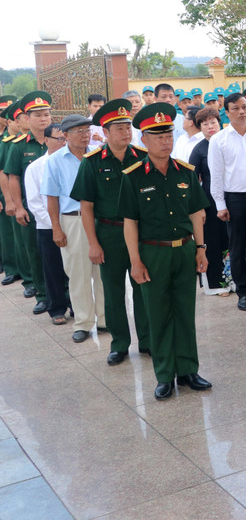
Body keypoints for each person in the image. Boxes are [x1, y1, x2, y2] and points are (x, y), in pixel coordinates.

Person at [119, 102, 211, 401]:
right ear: (143, 140)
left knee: (185, 312)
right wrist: (135, 261)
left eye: (168, 135)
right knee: (158, 315)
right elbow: (130, 223)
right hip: (152, 254)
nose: (165, 141)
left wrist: (200, 248)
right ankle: (164, 375)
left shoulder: (185, 172)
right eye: (157, 136)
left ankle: (187, 370)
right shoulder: (133, 176)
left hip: (184, 251)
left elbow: (197, 213)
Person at [72, 99, 152, 363]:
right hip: (109, 234)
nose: (126, 132)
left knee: (142, 287)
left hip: (140, 234)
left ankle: (148, 340)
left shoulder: (142, 158)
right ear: (105, 133)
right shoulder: (93, 162)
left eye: (128, 127)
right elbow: (86, 207)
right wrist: (93, 244)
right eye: (119, 128)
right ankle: (119, 343)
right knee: (113, 291)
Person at [44, 114, 107, 343]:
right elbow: (51, 198)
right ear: (66, 135)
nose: (85, 135)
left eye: (87, 130)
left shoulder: (99, 155)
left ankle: (104, 319)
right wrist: (56, 229)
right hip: (73, 220)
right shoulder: (55, 160)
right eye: (79, 131)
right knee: (78, 274)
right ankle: (83, 322)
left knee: (103, 272)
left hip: (101, 220)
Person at [208, 91, 246, 310]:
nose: (242, 112)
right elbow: (216, 175)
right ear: (227, 112)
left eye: (245, 107)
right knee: (237, 247)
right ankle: (243, 291)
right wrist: (220, 204)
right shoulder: (218, 140)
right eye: (236, 108)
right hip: (235, 199)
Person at [5, 91, 54, 308]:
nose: (43, 118)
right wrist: (17, 207)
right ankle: (43, 296)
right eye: (37, 115)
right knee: (35, 252)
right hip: (32, 208)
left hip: (58, 207)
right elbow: (13, 178)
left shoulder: (59, 141)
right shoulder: (19, 146)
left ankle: (65, 295)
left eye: (46, 114)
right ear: (27, 118)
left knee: (61, 253)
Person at [26, 123, 70, 325]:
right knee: (53, 269)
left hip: (74, 224)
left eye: (65, 139)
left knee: (75, 269)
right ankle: (57, 308)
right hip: (48, 227)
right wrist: (56, 225)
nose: (63, 143)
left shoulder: (73, 163)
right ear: (46, 140)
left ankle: (76, 306)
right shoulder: (35, 168)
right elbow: (35, 203)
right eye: (58, 139)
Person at [189, 108, 229, 296]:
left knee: (232, 240)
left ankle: (237, 279)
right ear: (200, 127)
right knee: (213, 242)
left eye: (213, 122)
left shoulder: (227, 142)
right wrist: (200, 208)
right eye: (205, 124)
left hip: (231, 199)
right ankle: (218, 283)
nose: (210, 127)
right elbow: (192, 180)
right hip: (209, 203)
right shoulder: (199, 149)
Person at [0, 104, 28, 291]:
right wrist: (8, 200)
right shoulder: (8, 143)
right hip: (10, 194)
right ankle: (13, 269)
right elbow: (4, 172)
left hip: (30, 197)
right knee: (12, 236)